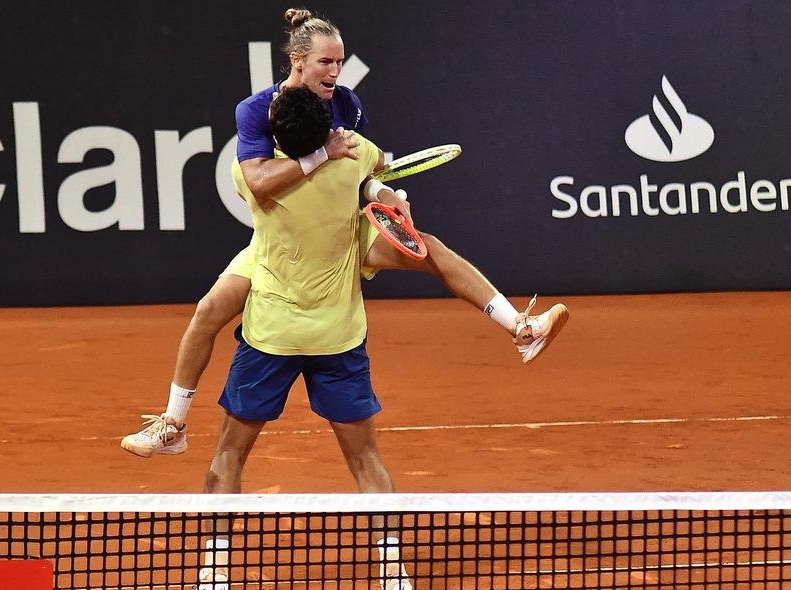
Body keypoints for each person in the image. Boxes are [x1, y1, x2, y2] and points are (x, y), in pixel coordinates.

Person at [121, 8, 568, 457]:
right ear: (298, 61)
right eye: (325, 63)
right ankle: (173, 424)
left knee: (428, 250)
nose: (335, 72)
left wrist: (381, 189)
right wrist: (324, 153)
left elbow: (357, 172)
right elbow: (259, 180)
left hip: (340, 231)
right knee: (208, 312)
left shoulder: (346, 104)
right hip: (279, 239)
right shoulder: (257, 111)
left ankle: (520, 327)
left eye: (339, 62)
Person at [182, 84, 414, 590]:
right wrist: (387, 197)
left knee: (228, 455)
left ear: (278, 137)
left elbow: (266, 172)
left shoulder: (253, 180)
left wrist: (317, 156)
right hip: (337, 339)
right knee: (366, 459)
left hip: (271, 338)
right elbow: (379, 175)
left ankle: (216, 577)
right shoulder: (352, 160)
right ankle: (394, 574)